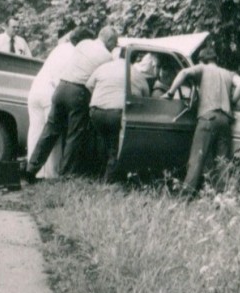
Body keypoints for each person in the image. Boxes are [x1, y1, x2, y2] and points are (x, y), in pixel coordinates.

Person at [25, 25, 118, 179]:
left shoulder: (83, 44)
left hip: (61, 88)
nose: (114, 47)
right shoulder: (107, 57)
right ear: (108, 40)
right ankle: (65, 175)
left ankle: (31, 168)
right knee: (74, 135)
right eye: (114, 43)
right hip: (78, 93)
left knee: (49, 131)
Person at [165, 46, 240, 195]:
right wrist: (231, 101)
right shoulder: (228, 73)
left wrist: (170, 93)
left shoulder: (202, 68)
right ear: (216, 59)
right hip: (225, 120)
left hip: (208, 118)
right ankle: (222, 197)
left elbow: (184, 72)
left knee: (197, 157)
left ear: (202, 60)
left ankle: (186, 196)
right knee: (222, 162)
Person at [25, 25, 89, 179]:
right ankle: (51, 175)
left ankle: (33, 169)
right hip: (50, 92)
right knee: (54, 134)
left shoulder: (60, 48)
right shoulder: (75, 53)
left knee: (36, 131)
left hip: (35, 90)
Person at [86, 52, 157, 182]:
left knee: (102, 141)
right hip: (117, 113)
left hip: (96, 111)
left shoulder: (104, 67)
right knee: (115, 146)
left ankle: (97, 173)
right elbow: (146, 96)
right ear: (136, 59)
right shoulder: (136, 73)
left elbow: (89, 85)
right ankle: (110, 181)